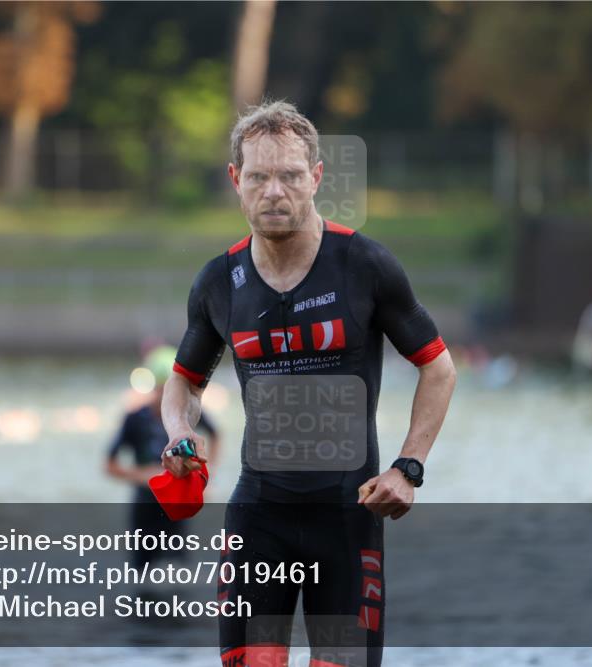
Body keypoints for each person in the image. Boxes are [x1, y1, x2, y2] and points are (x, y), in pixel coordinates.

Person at [160, 101, 456, 667]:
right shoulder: (219, 282)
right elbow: (183, 384)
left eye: (291, 175)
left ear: (316, 178)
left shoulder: (365, 265)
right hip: (259, 517)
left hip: (348, 518)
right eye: (259, 176)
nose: (275, 191)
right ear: (235, 182)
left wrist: (408, 467)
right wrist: (179, 433)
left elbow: (438, 368)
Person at [105, 345, 220, 568]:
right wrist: (146, 475)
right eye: (162, 390)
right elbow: (109, 465)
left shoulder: (189, 413)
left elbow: (216, 435)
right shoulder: (135, 418)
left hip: (177, 502)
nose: (167, 398)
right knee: (143, 575)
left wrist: (210, 472)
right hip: (145, 506)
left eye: (174, 392)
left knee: (177, 574)